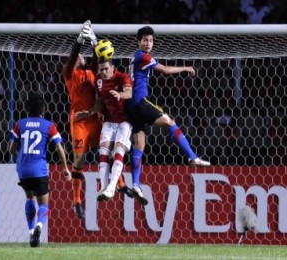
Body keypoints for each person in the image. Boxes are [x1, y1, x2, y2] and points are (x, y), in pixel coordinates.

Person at [127, 26, 211, 205]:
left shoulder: (135, 57)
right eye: (144, 40)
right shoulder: (143, 56)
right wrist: (186, 67)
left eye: (150, 40)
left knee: (139, 145)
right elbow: (165, 70)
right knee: (170, 122)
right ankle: (192, 156)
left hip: (131, 106)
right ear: (138, 41)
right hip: (141, 101)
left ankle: (135, 184)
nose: (147, 43)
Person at [62, 21, 132, 218]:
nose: (80, 57)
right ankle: (76, 202)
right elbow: (73, 56)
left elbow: (98, 57)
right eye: (78, 57)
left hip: (95, 119)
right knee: (79, 159)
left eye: (83, 56)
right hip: (79, 123)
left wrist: (92, 39)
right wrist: (78, 41)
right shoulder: (69, 73)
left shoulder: (93, 72)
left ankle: (119, 184)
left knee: (110, 151)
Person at [9, 93, 71, 247]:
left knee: (29, 198)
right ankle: (39, 226)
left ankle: (31, 233)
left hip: (23, 170)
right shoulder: (48, 125)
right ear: (44, 109)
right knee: (43, 204)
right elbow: (58, 147)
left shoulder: (20, 124)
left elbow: (11, 148)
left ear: (27, 108)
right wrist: (65, 168)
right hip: (39, 170)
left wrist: (20, 159)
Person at [75, 58, 133, 201]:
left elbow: (130, 92)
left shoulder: (122, 77)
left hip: (124, 120)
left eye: (106, 69)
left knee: (119, 149)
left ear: (113, 68)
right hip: (109, 119)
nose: (104, 72)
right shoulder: (99, 81)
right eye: (101, 70)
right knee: (103, 150)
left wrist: (120, 95)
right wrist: (89, 113)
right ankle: (103, 188)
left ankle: (112, 187)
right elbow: (99, 103)